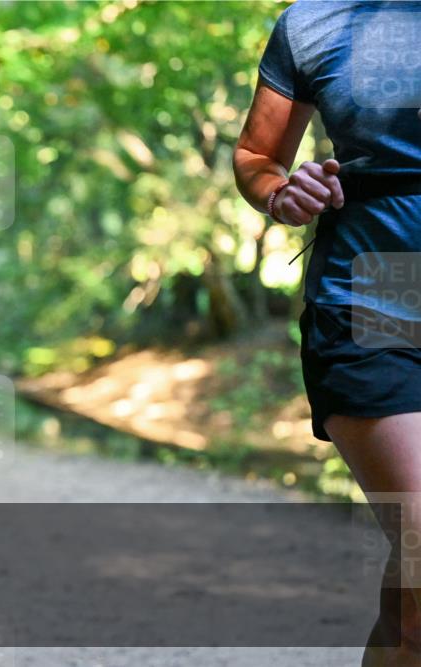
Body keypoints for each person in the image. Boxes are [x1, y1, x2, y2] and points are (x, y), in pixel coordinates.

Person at [233, 2, 420, 665]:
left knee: (412, 605)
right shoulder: (314, 23)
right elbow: (257, 155)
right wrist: (283, 193)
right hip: (377, 286)